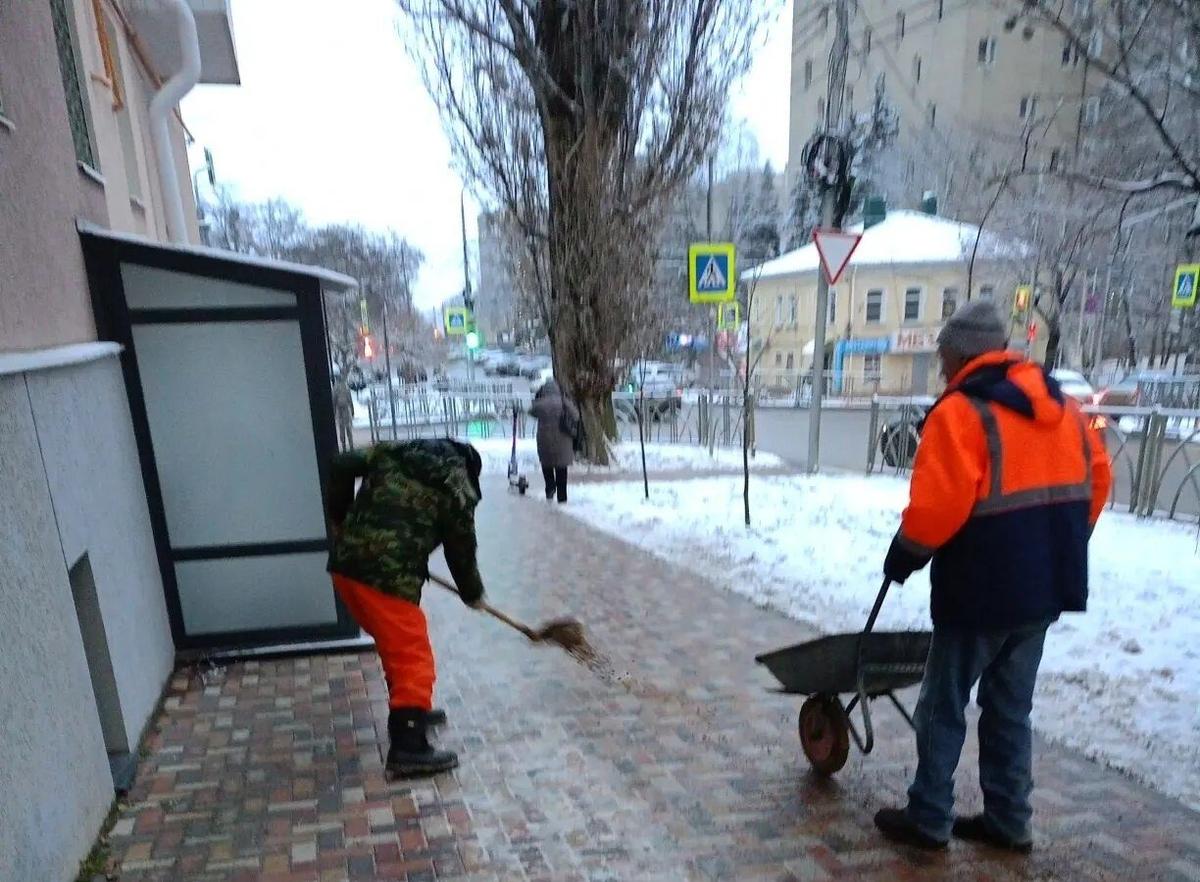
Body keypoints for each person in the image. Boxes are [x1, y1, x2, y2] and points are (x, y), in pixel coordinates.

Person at [874, 301, 1111, 853]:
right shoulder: (1063, 406)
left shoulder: (961, 412)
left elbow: (938, 506)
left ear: (960, 355)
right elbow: (1098, 480)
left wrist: (904, 554)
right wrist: (1056, 545)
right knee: (1009, 708)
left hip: (980, 589)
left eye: (942, 357)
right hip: (1044, 587)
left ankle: (929, 816)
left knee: (942, 704)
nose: (941, 368)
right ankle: (1009, 818)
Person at [326, 438, 486, 778]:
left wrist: (341, 519)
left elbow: (340, 464)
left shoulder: (395, 452)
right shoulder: (458, 486)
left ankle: (408, 710)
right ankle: (408, 745)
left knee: (395, 647)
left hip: (346, 568)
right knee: (413, 657)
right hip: (385, 579)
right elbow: (461, 547)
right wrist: (472, 592)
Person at [529, 378, 579, 503]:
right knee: (561, 468)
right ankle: (562, 496)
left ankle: (550, 487)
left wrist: (537, 399)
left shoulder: (540, 404)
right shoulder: (563, 401)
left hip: (544, 440)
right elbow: (576, 416)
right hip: (563, 440)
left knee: (547, 465)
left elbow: (531, 411)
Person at [333, 375, 354, 451]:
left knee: (341, 428)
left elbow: (334, 401)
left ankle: (344, 446)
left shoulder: (335, 388)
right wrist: (352, 409)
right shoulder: (346, 387)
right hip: (346, 409)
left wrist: (334, 412)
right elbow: (350, 399)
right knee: (348, 427)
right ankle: (351, 445)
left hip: (340, 409)